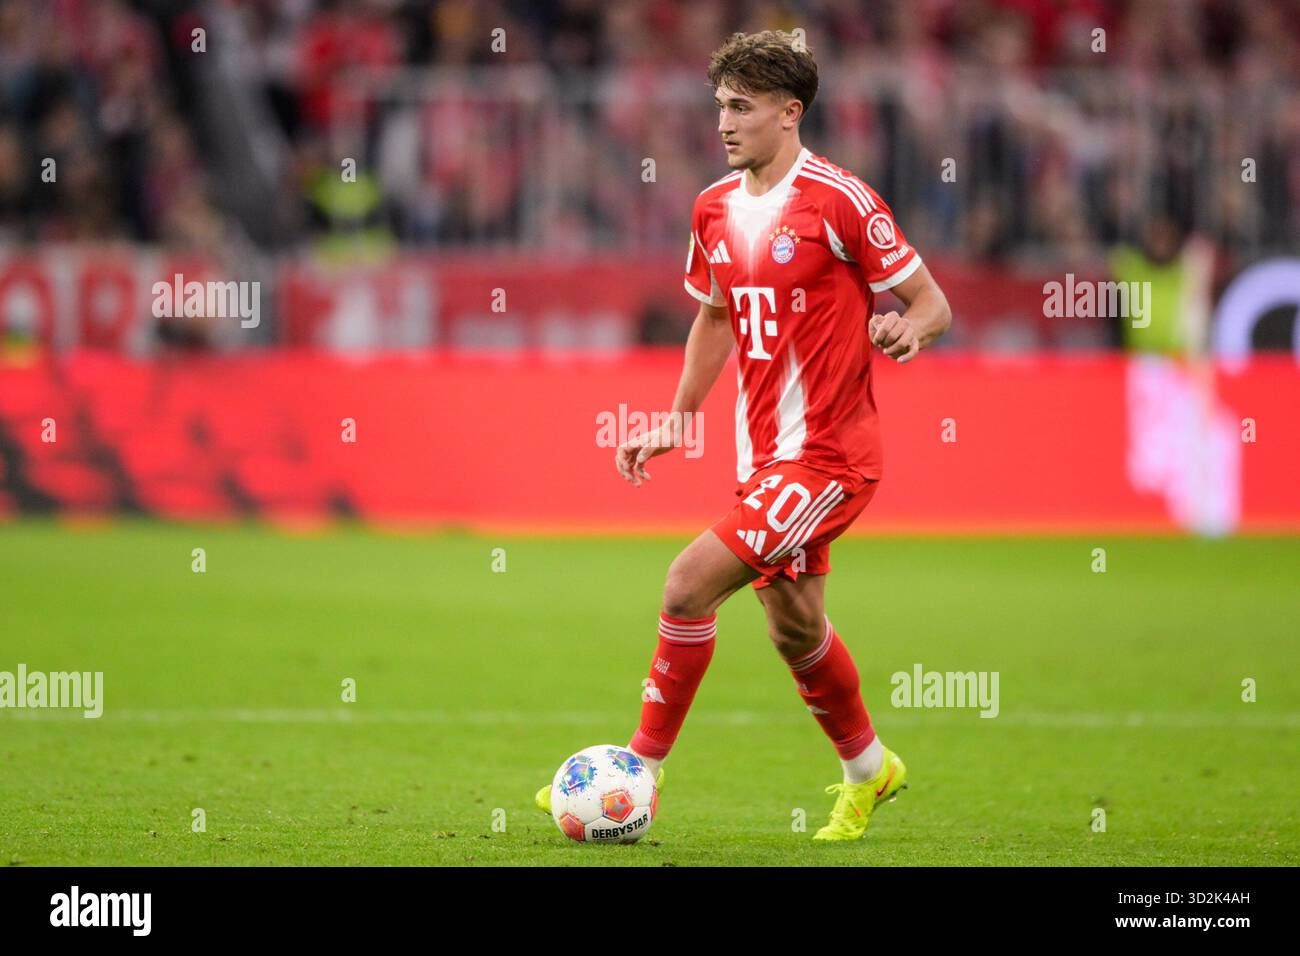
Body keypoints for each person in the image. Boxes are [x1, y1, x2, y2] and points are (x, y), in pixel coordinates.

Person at [536, 30, 951, 840]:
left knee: (687, 584)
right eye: (719, 105)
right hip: (763, 459)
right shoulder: (713, 208)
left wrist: (910, 329)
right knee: (794, 623)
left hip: (831, 458)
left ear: (789, 114)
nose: (723, 123)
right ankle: (871, 771)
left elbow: (930, 300)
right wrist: (675, 421)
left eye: (742, 107)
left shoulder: (842, 202)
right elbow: (716, 316)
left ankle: (633, 778)